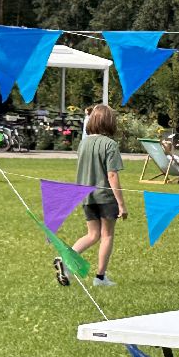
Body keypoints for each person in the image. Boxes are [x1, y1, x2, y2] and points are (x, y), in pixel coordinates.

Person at [58, 104, 127, 288]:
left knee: (92, 234)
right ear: (109, 122)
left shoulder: (83, 144)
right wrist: (121, 204)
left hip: (86, 197)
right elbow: (112, 175)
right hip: (105, 197)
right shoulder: (110, 145)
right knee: (106, 235)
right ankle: (100, 278)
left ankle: (65, 260)